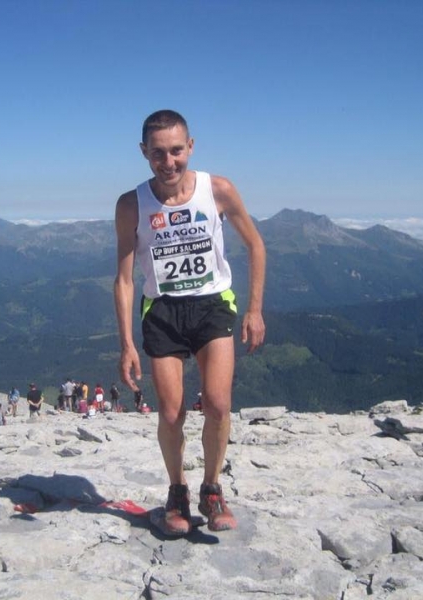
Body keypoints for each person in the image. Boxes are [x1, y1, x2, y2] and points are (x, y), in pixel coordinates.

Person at [113, 110, 266, 535]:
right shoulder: (131, 205)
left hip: (212, 303)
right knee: (170, 412)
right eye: (158, 153)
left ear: (191, 147)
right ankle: (177, 490)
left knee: (217, 403)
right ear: (144, 152)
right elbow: (124, 278)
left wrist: (254, 309)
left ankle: (212, 489)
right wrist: (126, 344)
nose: (169, 162)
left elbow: (255, 245)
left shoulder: (218, 190)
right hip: (162, 311)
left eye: (176, 151)